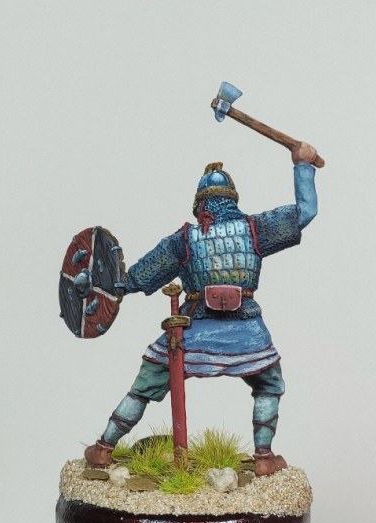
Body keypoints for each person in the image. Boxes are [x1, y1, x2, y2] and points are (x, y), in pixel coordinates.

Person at [85, 144, 319, 475]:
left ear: (200, 205)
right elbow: (305, 212)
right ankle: (264, 457)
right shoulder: (256, 229)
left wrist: (106, 285)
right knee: (269, 384)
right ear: (232, 200)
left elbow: (136, 278)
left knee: (145, 385)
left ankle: (103, 448)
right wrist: (303, 165)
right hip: (248, 334)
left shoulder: (184, 240)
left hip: (191, 333)